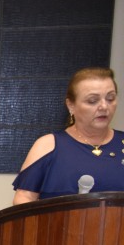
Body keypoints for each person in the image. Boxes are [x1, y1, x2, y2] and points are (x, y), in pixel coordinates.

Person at [13, 67, 120, 203]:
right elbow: (24, 199)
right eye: (93, 101)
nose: (104, 106)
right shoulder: (48, 146)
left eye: (110, 98)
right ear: (71, 105)